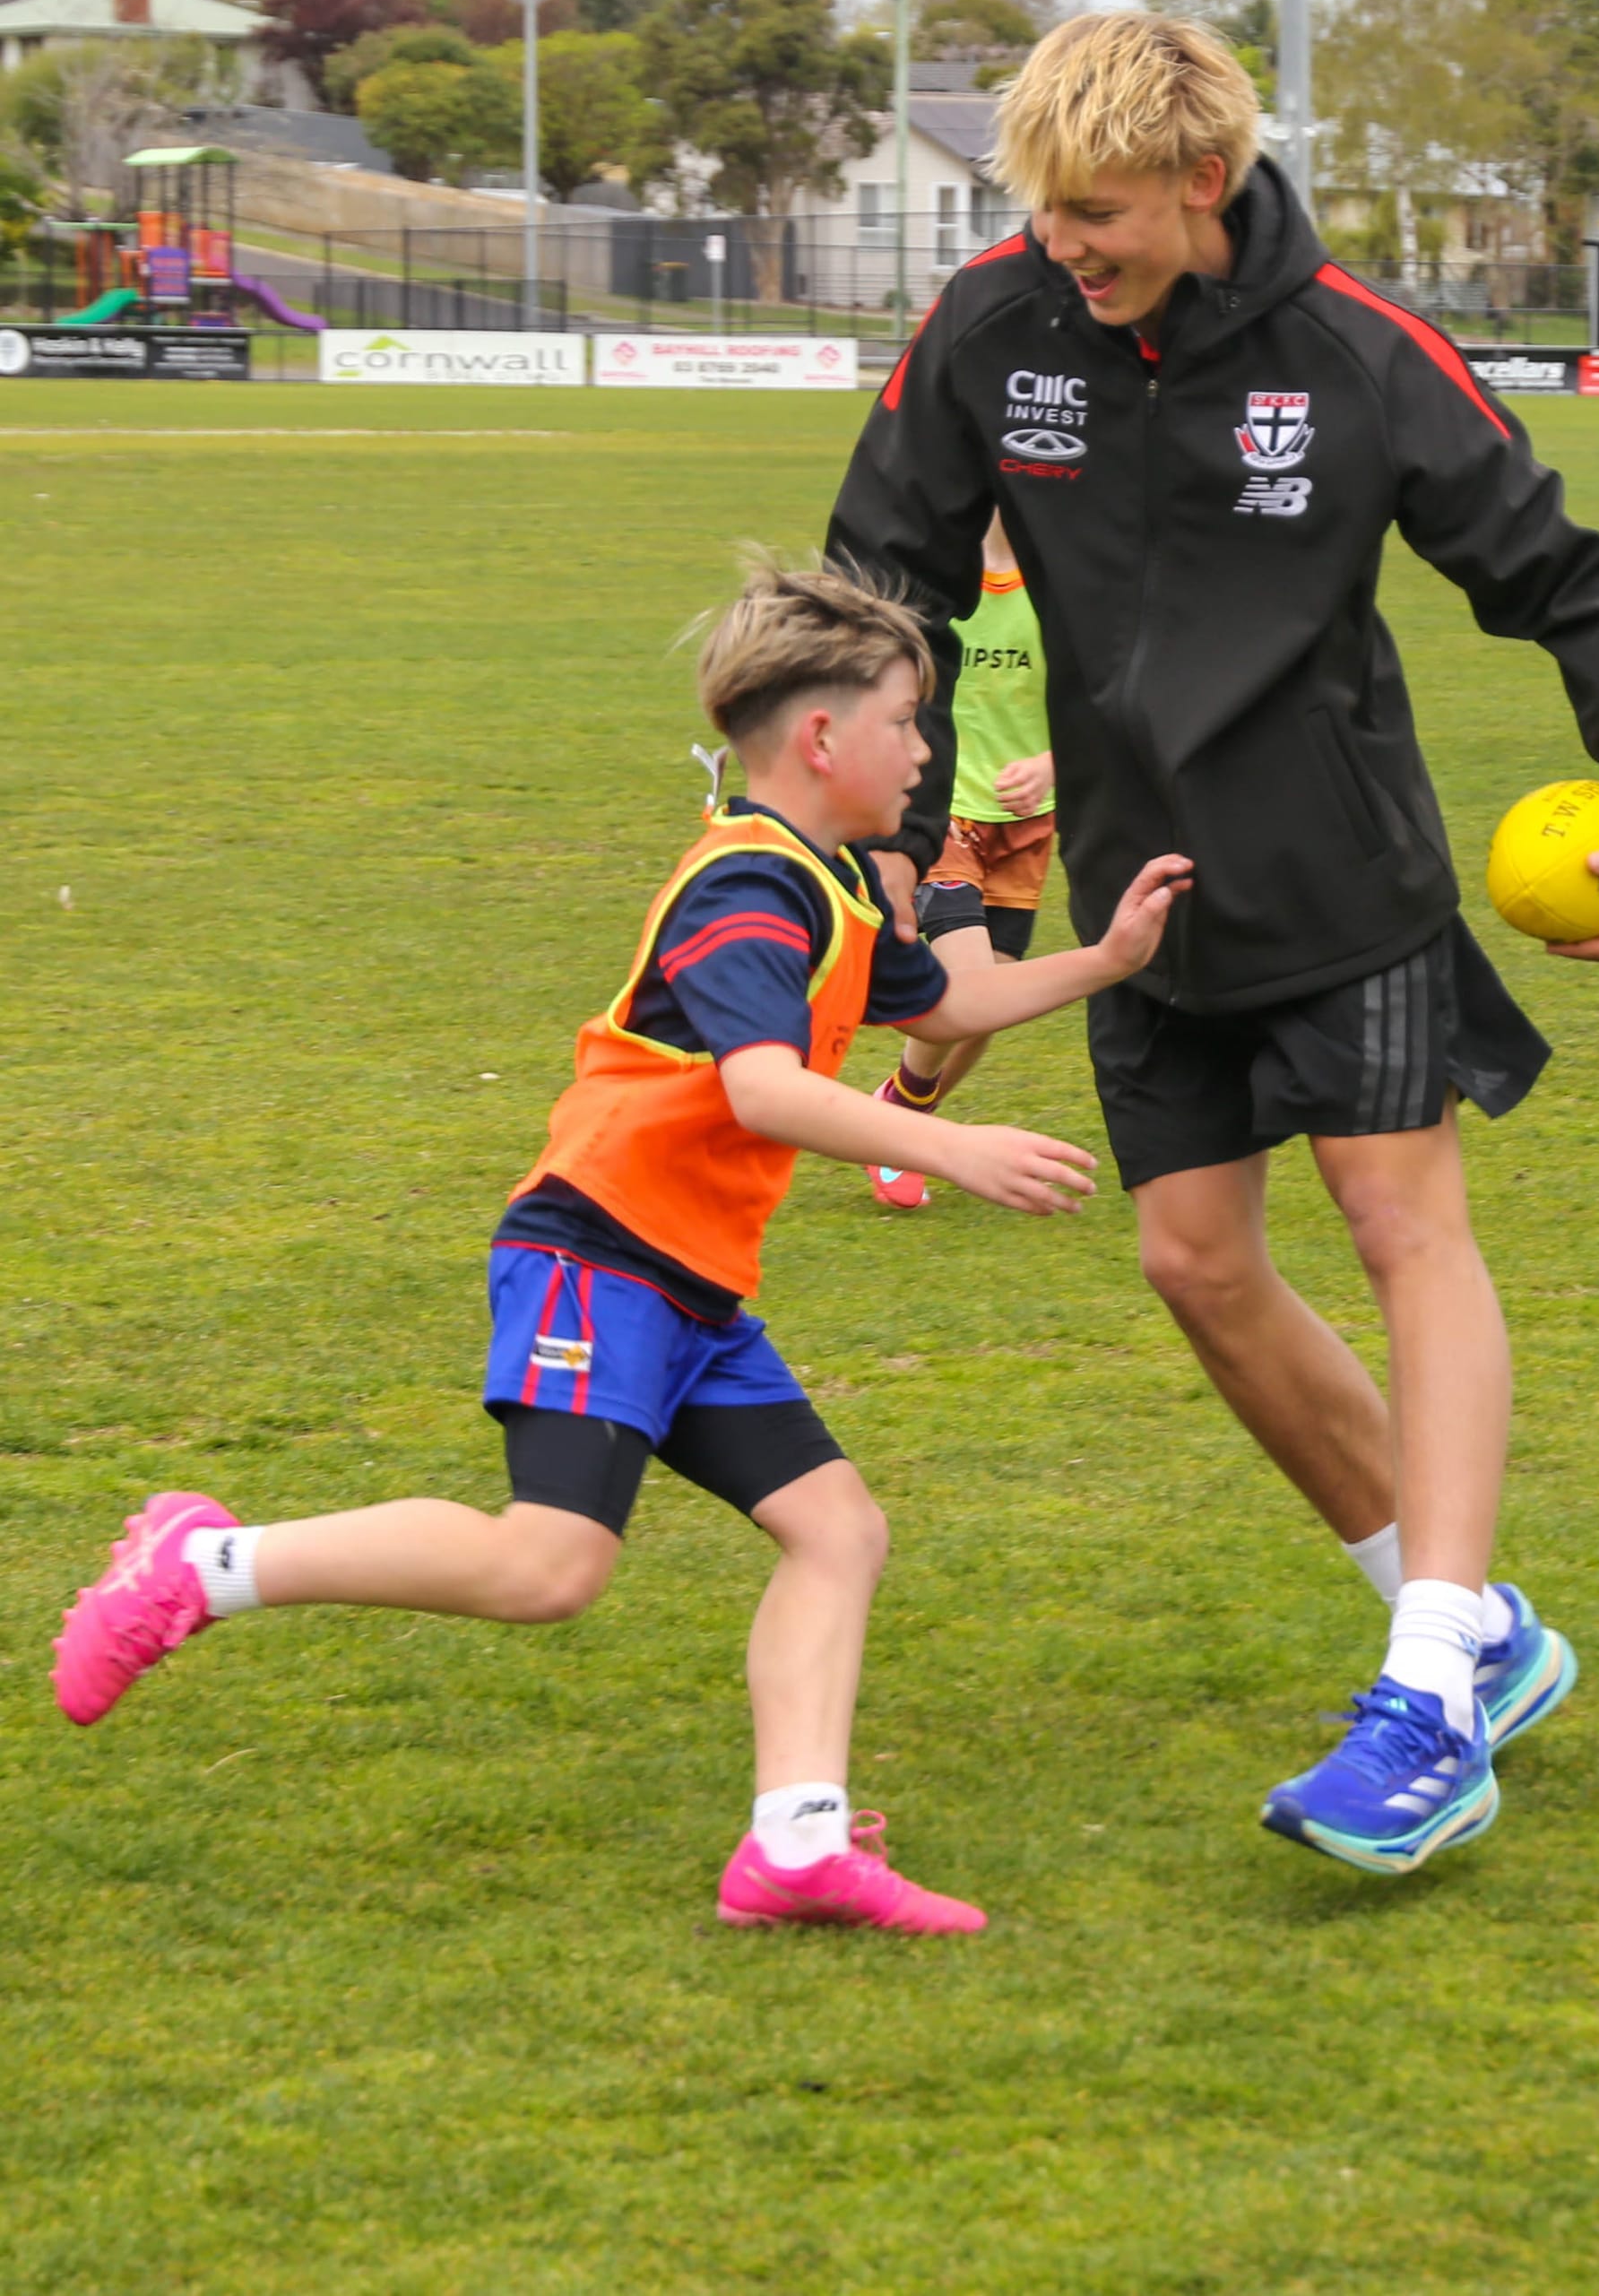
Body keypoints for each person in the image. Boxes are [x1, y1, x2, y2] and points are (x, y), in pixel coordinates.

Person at [826, 13, 1599, 1877]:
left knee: (1400, 1221)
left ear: (1201, 183)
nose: (1059, 246)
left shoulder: (1354, 345)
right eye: (1039, 210)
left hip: (1346, 873)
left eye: (1093, 212)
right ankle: (1471, 1631)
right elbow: (884, 593)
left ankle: (1420, 1691)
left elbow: (1552, 570)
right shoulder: (993, 327)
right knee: (1192, 1265)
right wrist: (889, 875)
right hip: (1134, 889)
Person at [53, 561, 1188, 1935]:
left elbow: (947, 992)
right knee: (550, 1563)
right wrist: (950, 1146)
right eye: (906, 720)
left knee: (837, 1530)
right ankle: (200, 1566)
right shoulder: (749, 891)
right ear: (823, 741)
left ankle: (798, 1844)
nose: (926, 749)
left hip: (690, 1280)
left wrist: (1109, 959)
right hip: (601, 1254)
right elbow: (763, 1086)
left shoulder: (828, 880)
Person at [867, 506, 1055, 1209]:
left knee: (993, 1007)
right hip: (946, 817)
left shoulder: (1057, 585)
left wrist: (1051, 765)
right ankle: (902, 1126)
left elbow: (1098, 701)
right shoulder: (932, 588)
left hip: (1028, 825)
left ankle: (901, 1106)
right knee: (972, 996)